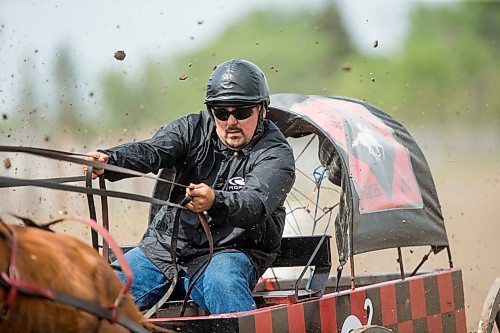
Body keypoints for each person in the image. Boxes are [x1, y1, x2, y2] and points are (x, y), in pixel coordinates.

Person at [84, 59, 295, 314]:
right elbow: (152, 151)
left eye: (241, 112)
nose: (231, 122)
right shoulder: (190, 129)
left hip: (231, 253)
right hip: (164, 250)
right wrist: (111, 160)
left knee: (223, 283)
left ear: (262, 110)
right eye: (221, 112)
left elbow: (255, 204)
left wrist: (216, 202)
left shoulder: (276, 154)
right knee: (99, 294)